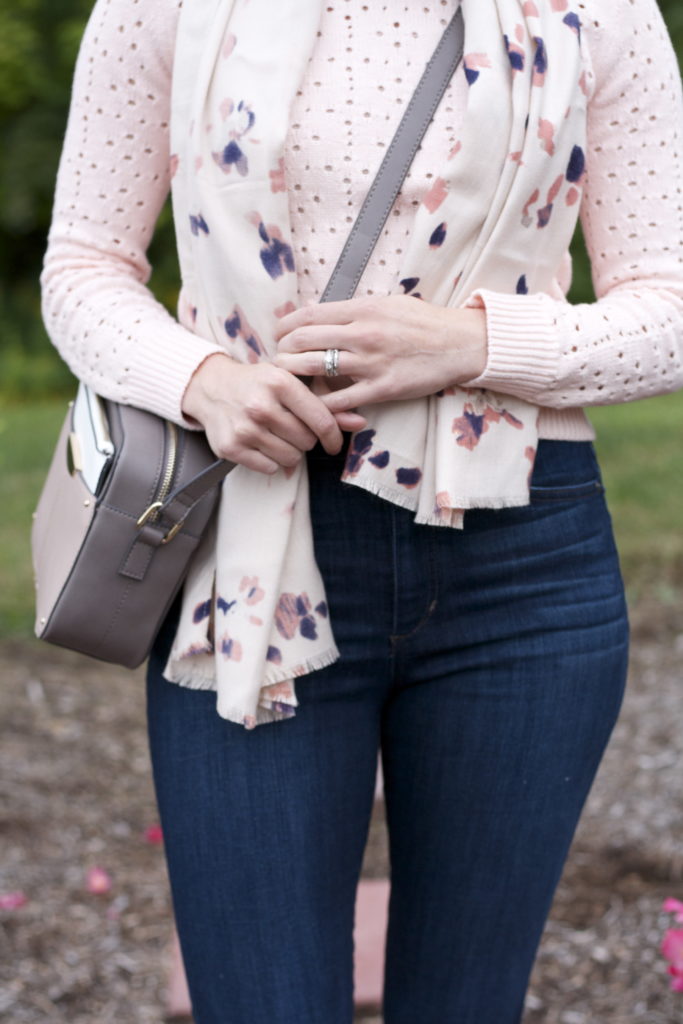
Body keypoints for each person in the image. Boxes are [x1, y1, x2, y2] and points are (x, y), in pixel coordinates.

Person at [40, 1, 683, 1021]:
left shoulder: (596, 10)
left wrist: (472, 346)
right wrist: (200, 378)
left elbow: (669, 302)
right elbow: (81, 267)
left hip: (520, 564)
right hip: (253, 546)